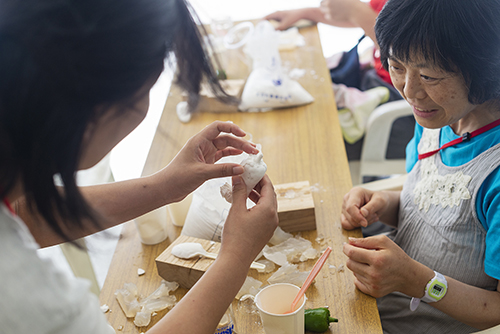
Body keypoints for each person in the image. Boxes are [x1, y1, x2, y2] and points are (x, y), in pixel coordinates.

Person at [0, 0, 279, 333]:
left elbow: (22, 214)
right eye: (147, 89)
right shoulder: (30, 298)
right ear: (94, 112)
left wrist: (166, 187)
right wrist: (235, 257)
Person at [341, 0, 500, 332]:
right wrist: (384, 204)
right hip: (379, 302)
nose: (410, 91)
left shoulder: (494, 175)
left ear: (486, 69)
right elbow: (434, 205)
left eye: (429, 76)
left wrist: (419, 281)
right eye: (397, 66)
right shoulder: (440, 117)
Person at [265, 0, 415, 166]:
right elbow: (375, 18)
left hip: (404, 107)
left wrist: (357, 12)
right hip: (376, 81)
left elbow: (412, 59)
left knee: (309, 138)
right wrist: (306, 13)